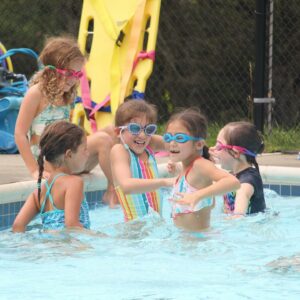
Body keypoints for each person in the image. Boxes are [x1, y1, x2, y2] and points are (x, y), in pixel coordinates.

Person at [14, 36, 116, 207]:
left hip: (67, 155)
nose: (74, 79)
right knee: (103, 140)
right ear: (51, 71)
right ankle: (114, 190)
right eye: (69, 73)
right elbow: (19, 133)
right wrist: (34, 170)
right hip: (49, 160)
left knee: (112, 131)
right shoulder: (36, 94)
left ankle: (130, 175)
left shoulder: (66, 94)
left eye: (78, 74)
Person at [163, 108, 240, 232]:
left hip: (198, 242)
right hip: (185, 240)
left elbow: (233, 182)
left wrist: (197, 196)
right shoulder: (187, 167)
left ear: (198, 144)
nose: (172, 143)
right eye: (168, 137)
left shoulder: (200, 165)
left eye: (180, 138)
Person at [13, 121, 91, 232]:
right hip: (68, 248)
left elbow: (17, 226)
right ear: (69, 154)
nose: (88, 153)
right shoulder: (74, 183)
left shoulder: (39, 192)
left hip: (48, 245)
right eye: (85, 149)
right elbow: (72, 226)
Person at [110, 99, 174, 222]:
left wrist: (176, 161)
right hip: (134, 231)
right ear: (118, 131)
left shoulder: (150, 144)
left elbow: (178, 146)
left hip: (157, 225)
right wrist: (164, 182)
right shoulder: (120, 151)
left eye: (148, 129)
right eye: (135, 128)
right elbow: (126, 186)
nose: (143, 135)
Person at [211, 121, 266, 216]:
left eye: (219, 146)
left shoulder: (245, 184)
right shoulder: (234, 174)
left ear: (236, 153)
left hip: (252, 227)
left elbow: (239, 216)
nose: (213, 148)